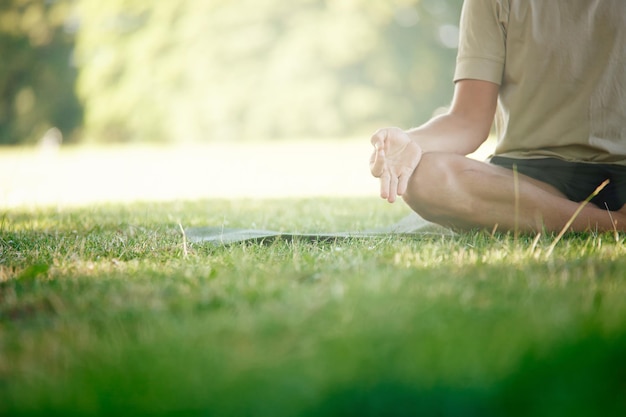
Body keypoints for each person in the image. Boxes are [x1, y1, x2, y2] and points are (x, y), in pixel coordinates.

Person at [369, 0, 626, 233]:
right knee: (425, 179)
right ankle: (611, 225)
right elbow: (467, 121)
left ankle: (562, 219)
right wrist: (408, 141)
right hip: (530, 181)